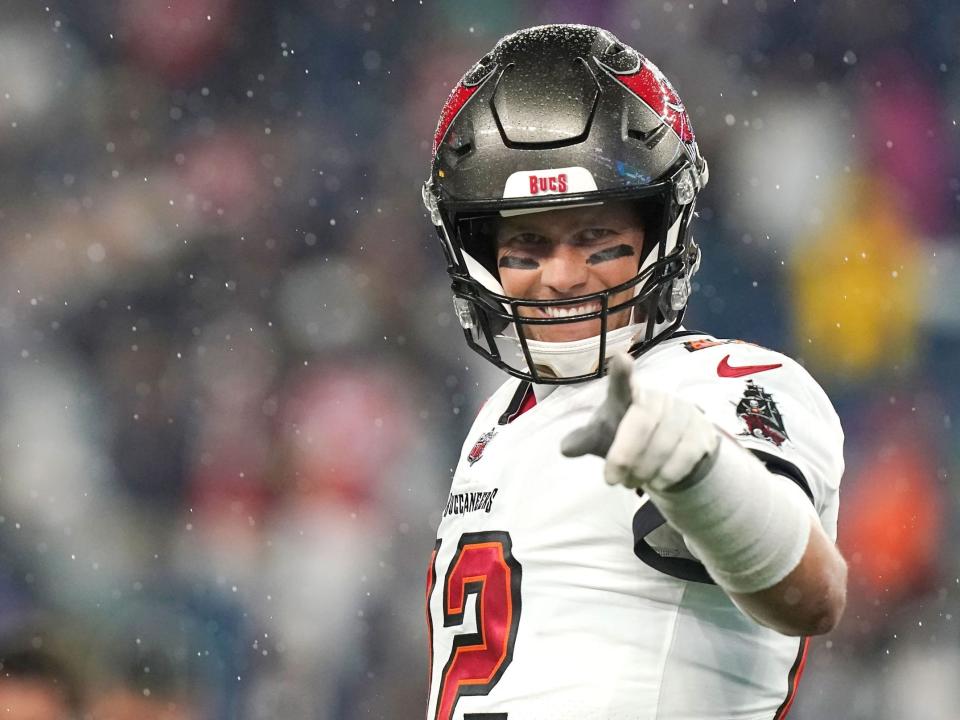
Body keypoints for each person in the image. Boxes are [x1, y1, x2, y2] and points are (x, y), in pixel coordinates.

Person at [421, 24, 847, 720]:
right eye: (526, 243)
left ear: (661, 233)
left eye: (596, 237)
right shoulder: (499, 417)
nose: (561, 277)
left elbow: (812, 592)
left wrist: (696, 467)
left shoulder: (718, 382)